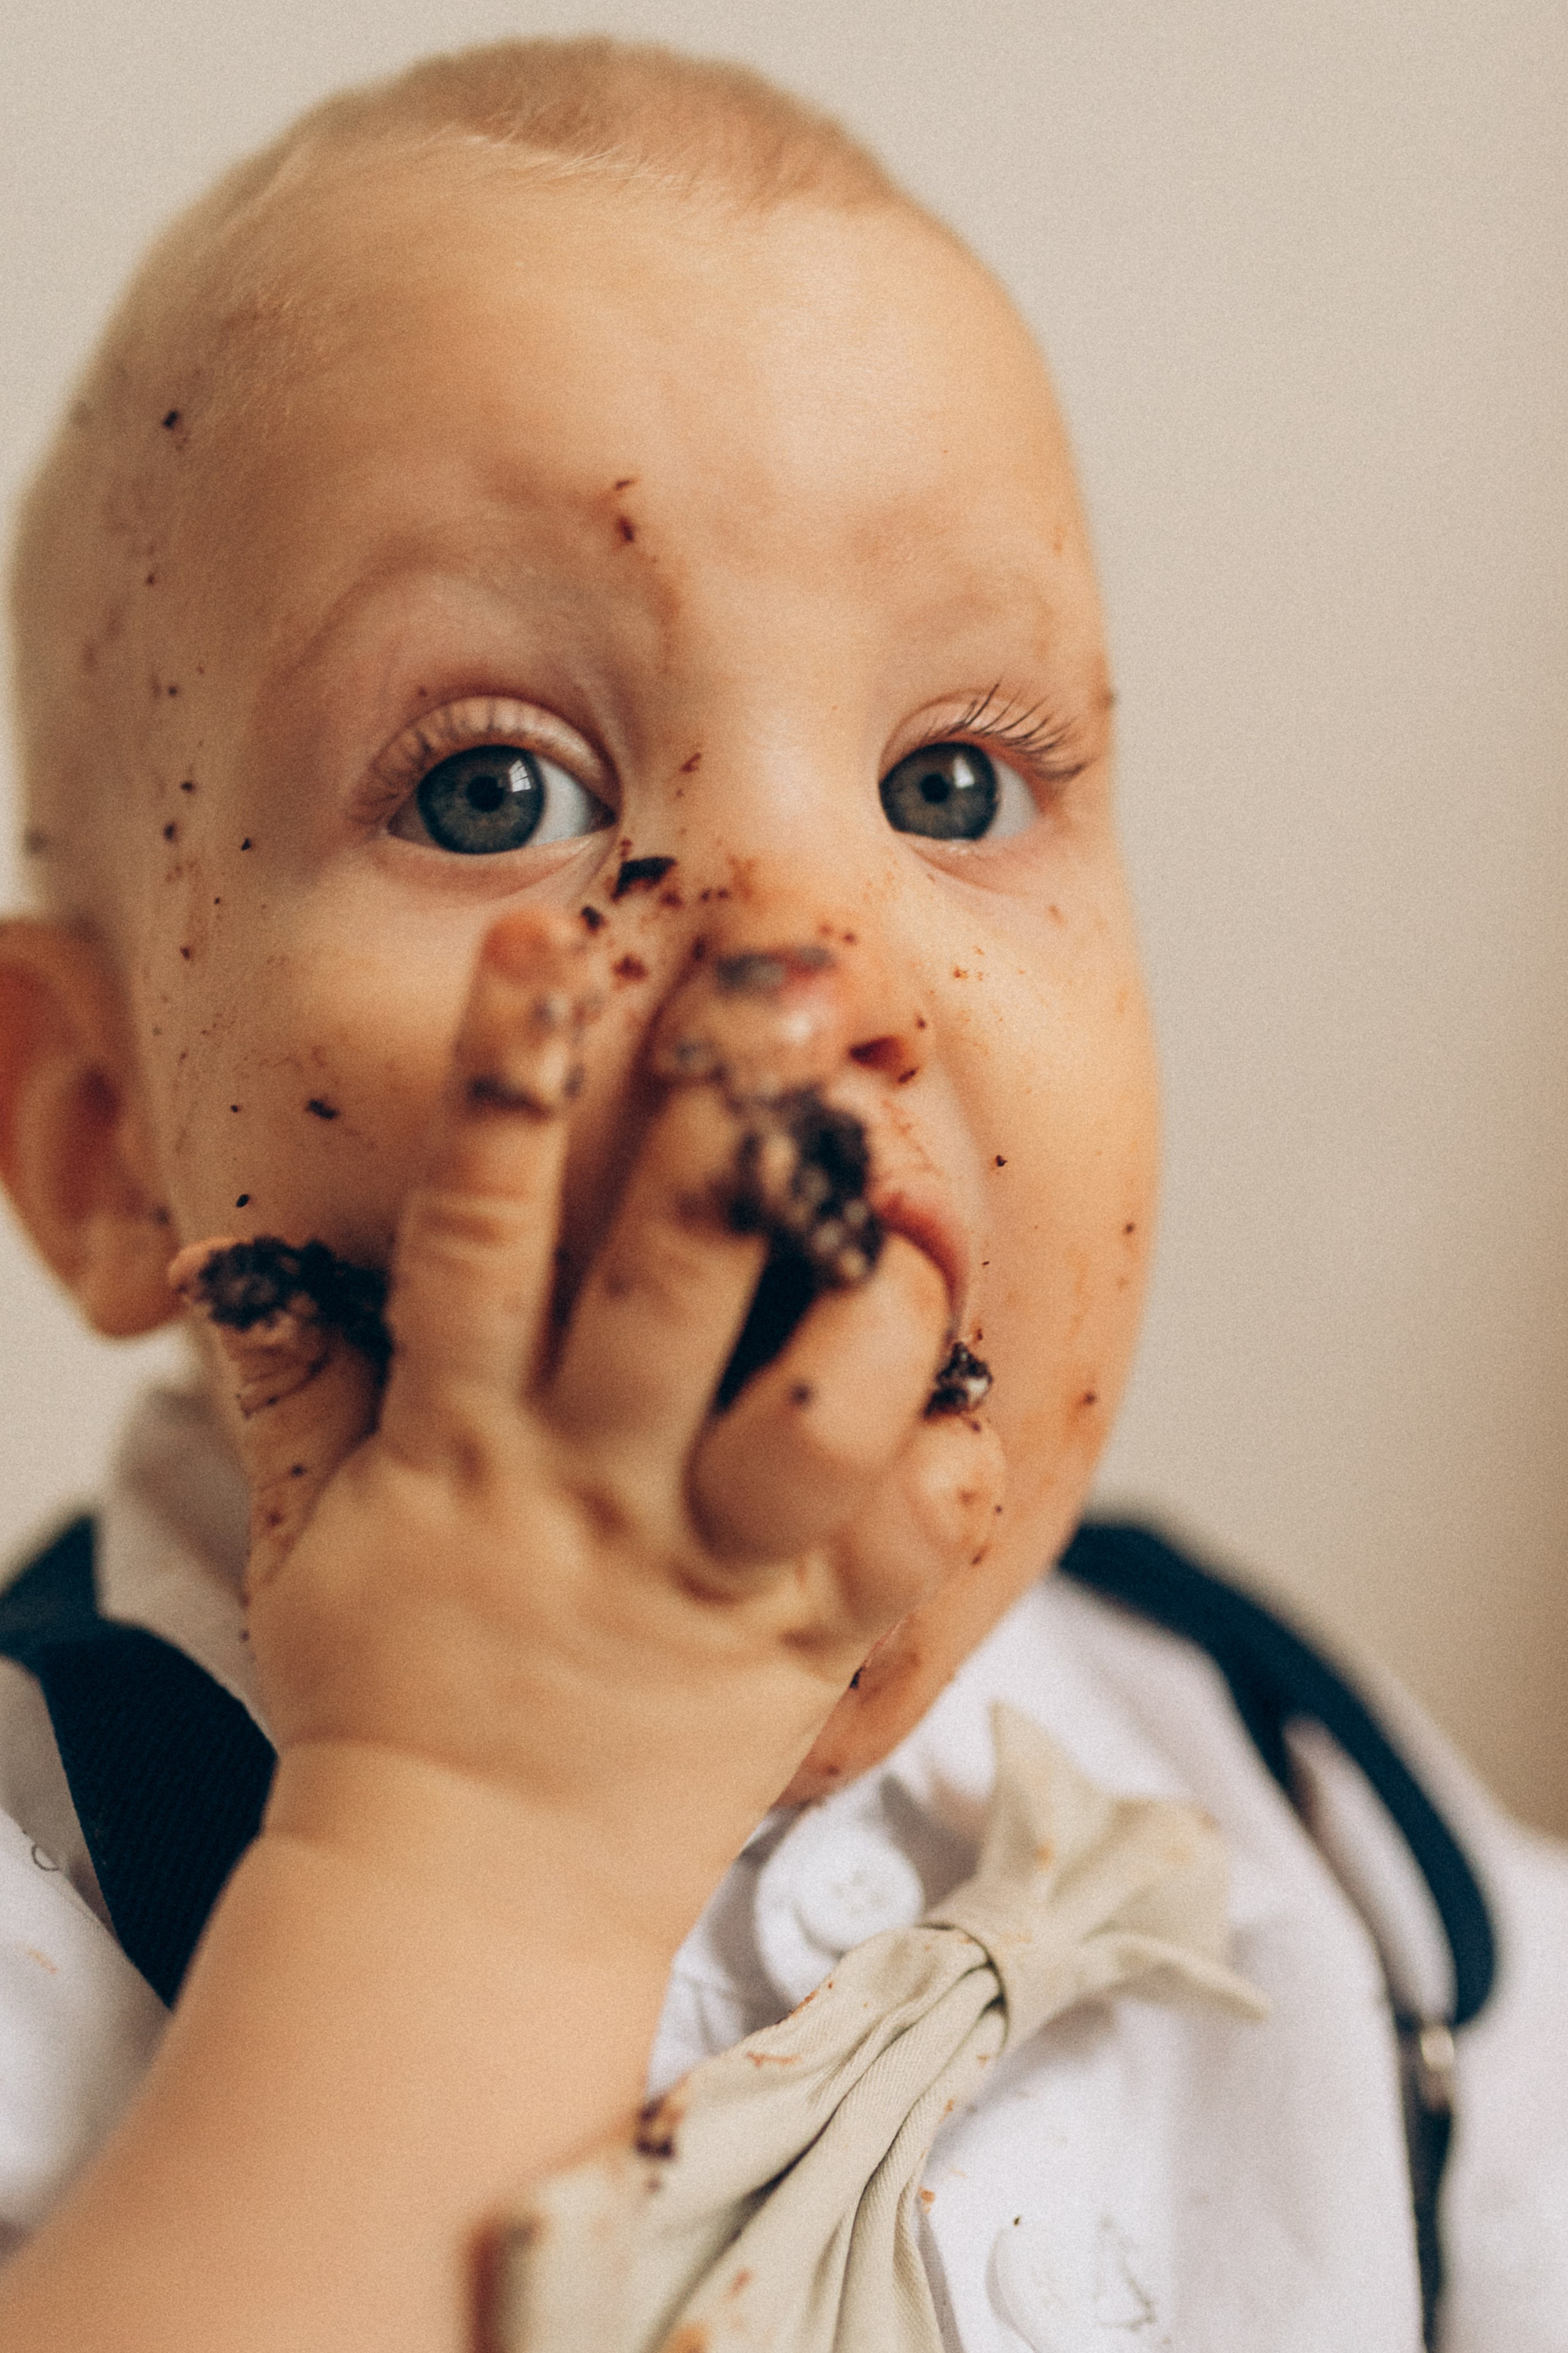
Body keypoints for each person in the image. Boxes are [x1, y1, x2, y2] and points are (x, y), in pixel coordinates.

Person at [0, 36, 1561, 2353]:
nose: (803, 954)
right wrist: (474, 1836)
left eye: (954, 775)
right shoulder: (43, 1895)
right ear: (106, 1134)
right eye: (500, 791)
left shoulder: (1315, 1793)